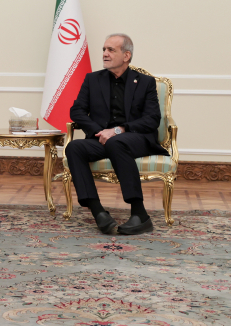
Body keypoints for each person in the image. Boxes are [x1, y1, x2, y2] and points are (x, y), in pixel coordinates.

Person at [65, 33, 168, 235]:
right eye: (104, 49)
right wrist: (99, 131)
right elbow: (76, 111)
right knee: (74, 147)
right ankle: (98, 212)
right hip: (103, 138)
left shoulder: (145, 82)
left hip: (135, 138)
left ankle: (140, 214)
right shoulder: (92, 79)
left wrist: (119, 130)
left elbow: (152, 119)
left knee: (116, 142)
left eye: (111, 50)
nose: (105, 53)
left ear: (126, 55)